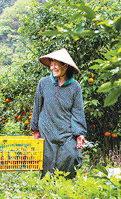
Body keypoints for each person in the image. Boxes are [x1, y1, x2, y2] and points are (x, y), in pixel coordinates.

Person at [30, 48, 87, 179]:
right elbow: (37, 107)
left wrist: (79, 134)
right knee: (48, 163)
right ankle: (48, 190)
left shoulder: (75, 87)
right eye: (51, 64)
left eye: (56, 64)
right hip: (47, 130)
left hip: (66, 131)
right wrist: (35, 130)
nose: (52, 67)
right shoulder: (43, 83)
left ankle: (65, 189)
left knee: (71, 156)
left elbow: (77, 112)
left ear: (65, 66)